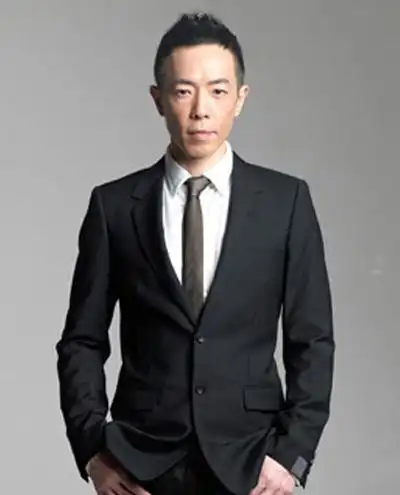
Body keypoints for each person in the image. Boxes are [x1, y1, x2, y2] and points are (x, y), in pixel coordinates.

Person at [55, 11, 335, 495]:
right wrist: (93, 451)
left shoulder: (286, 202)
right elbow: (81, 341)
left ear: (240, 99)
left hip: (252, 460)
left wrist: (291, 456)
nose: (201, 109)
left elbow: (312, 340)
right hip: (139, 463)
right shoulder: (114, 206)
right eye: (183, 91)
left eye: (218, 91)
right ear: (158, 99)